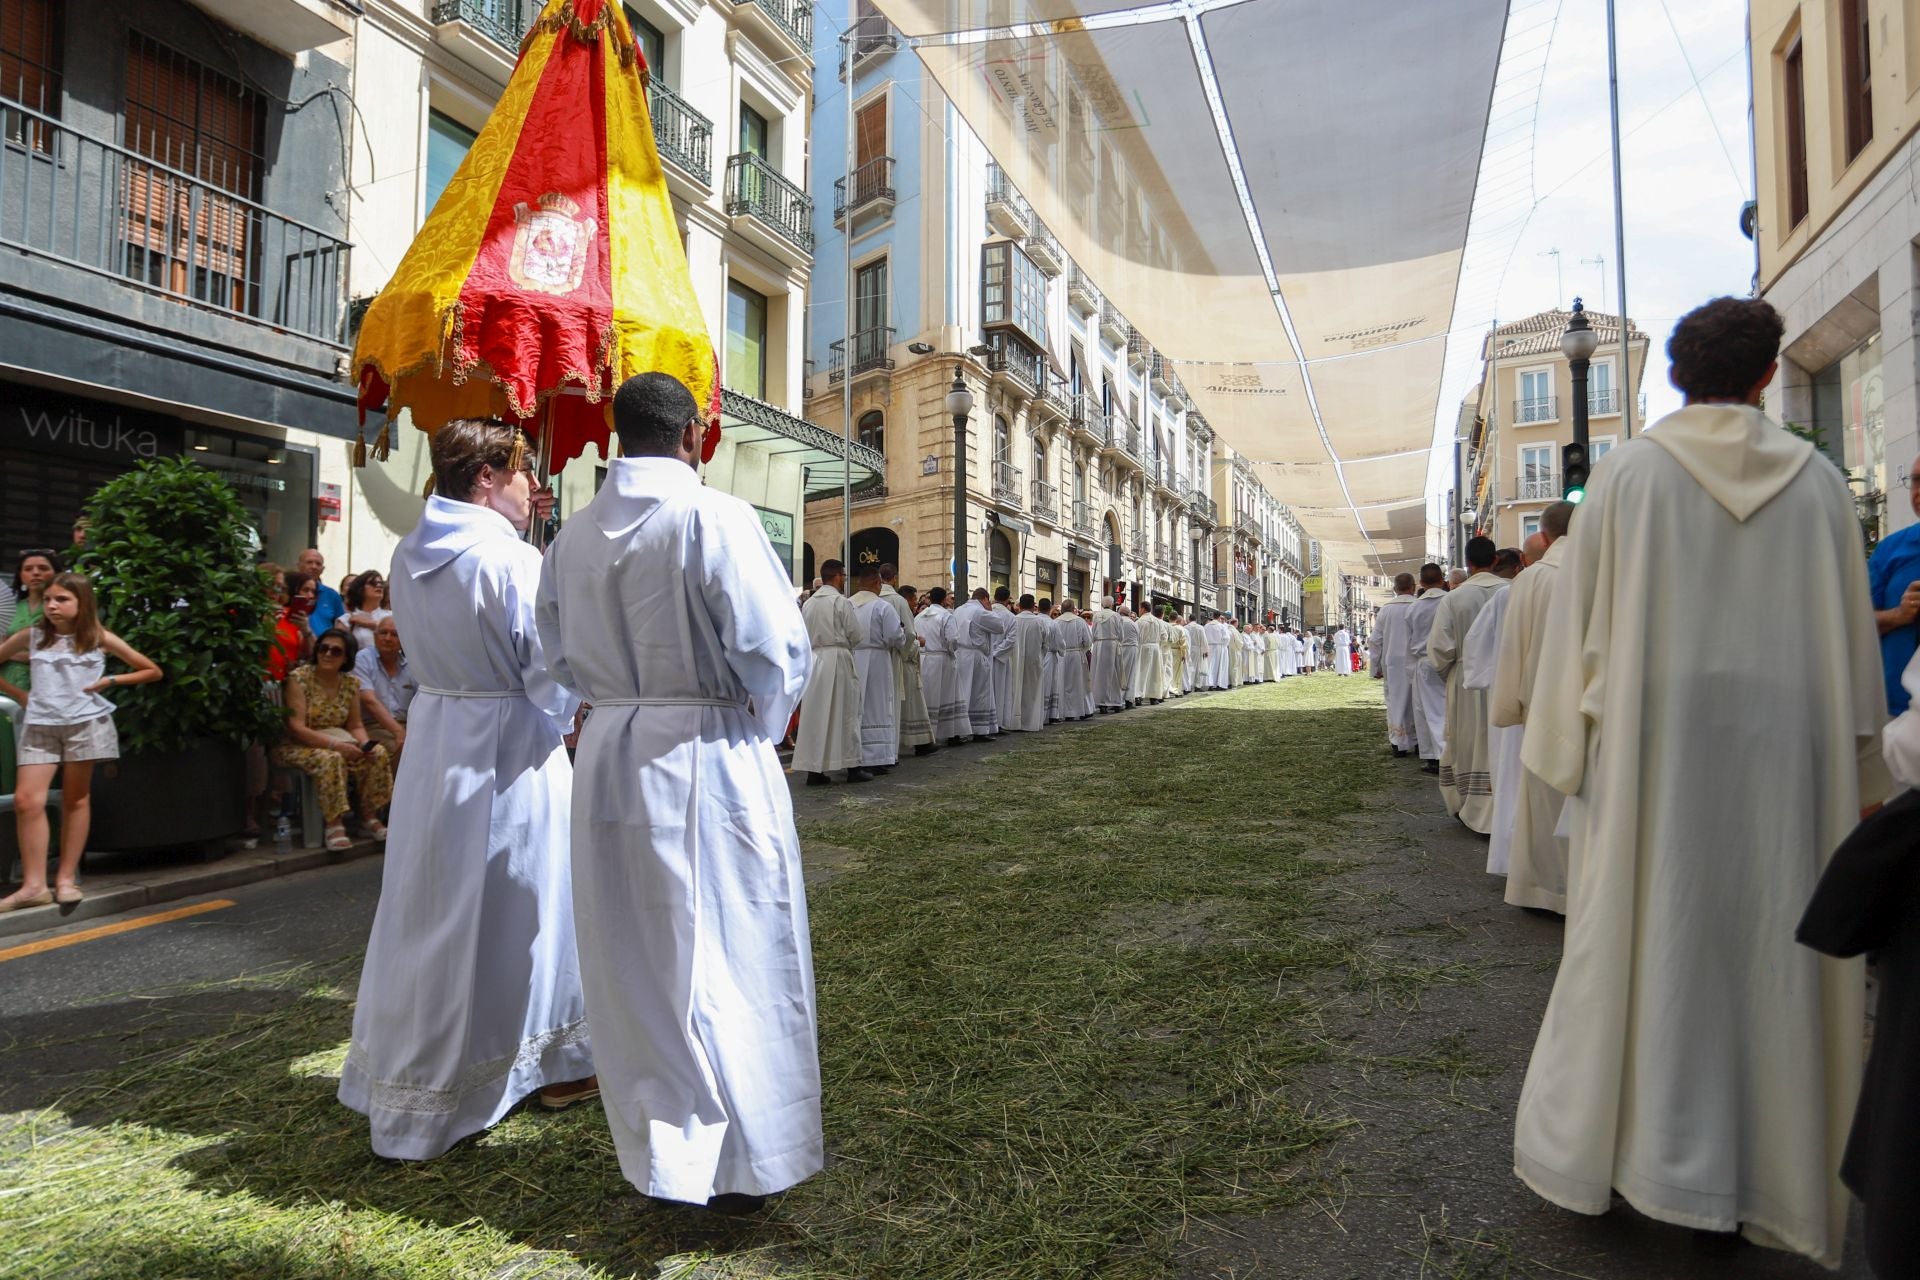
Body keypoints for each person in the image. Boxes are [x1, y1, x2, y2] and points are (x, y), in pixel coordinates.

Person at [1513, 296, 1891, 1268]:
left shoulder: (1628, 476)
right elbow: (1853, 660)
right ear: (1768, 375)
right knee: (1771, 946)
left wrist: (1562, 750)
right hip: (1783, 764)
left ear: (1675, 377)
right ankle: (1767, 1162)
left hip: (1655, 754)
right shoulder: (1814, 483)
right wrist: (1857, 775)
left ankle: (1649, 1152)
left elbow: (1576, 639)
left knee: (1656, 936)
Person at [535, 373, 821, 1214]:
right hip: (707, 743)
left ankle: (664, 1148)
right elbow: (774, 650)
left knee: (633, 955)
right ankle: (739, 1158)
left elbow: (554, 661)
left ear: (618, 434)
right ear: (695, 435)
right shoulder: (714, 516)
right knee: (731, 947)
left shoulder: (572, 538)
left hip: (613, 749)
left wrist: (614, 702)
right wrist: (758, 726)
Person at [339, 417, 593, 1162]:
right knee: (527, 902)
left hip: (439, 736)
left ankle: (422, 1080)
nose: (532, 488)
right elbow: (548, 676)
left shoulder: (409, 550)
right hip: (507, 745)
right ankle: (551, 1066)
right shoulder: (511, 562)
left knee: (434, 907)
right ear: (485, 478)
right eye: (521, 473)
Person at [0, 571, 161, 910]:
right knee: (27, 799)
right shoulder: (31, 637)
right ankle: (33, 885)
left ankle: (65, 878)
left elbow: (151, 670)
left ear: (82, 603)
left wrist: (110, 680)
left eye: (62, 599)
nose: (52, 606)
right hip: (40, 725)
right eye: (47, 600)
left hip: (84, 722)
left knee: (76, 798)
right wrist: (19, 695)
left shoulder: (99, 637)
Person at [1491, 504, 1575, 913]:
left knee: (1545, 802)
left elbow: (1513, 650)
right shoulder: (1614, 568)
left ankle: (1548, 891)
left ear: (1543, 538)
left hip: (1546, 705)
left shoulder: (1533, 580)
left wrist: (1508, 706)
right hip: (1602, 709)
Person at [272, 630, 394, 851]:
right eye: (323, 648)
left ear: (346, 657)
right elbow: (296, 728)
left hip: (340, 739)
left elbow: (355, 725)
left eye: (336, 651)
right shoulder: (299, 679)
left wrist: (363, 745)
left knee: (377, 753)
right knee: (331, 758)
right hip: (298, 745)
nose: (327, 654)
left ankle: (368, 817)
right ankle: (333, 823)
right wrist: (335, 745)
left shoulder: (351, 684)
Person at [1427, 538, 1504, 832]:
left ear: (1468, 564)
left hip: (1464, 681)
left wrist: (1451, 675)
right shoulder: (1512, 591)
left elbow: (1439, 650)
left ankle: (1468, 804)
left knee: (1467, 740)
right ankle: (1502, 804)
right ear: (1495, 559)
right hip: (1507, 677)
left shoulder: (1454, 598)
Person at [792, 560, 869, 785]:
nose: (845, 579)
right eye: (844, 575)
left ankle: (815, 771)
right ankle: (852, 766)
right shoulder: (839, 602)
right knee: (846, 712)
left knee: (816, 715)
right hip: (838, 659)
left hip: (815, 661)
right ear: (836, 576)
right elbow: (856, 634)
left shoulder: (809, 604)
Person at [1868, 452, 1920, 715]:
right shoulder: (1890, 550)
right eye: (1917, 481)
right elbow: (1855, 625)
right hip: (1897, 711)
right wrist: (1900, 615)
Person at [847, 564, 906, 773]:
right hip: (877, 660)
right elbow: (894, 636)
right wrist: (902, 636)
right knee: (878, 706)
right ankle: (877, 757)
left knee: (856, 707)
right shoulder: (882, 606)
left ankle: (856, 755)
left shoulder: (848, 604)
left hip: (852, 658)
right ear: (877, 583)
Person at [879, 565, 935, 757]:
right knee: (912, 700)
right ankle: (919, 742)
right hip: (899, 658)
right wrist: (907, 652)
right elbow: (910, 633)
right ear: (894, 578)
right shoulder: (897, 600)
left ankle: (886, 746)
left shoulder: (871, 598)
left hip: (875, 659)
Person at [354, 616, 417, 762]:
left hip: (407, 725)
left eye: (394, 634)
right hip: (374, 726)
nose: (388, 638)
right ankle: (396, 786)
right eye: (383, 633)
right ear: (375, 636)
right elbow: (369, 701)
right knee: (401, 748)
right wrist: (398, 731)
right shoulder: (363, 659)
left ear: (403, 640)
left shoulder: (411, 666)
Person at [1370, 575, 1420, 757]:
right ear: (1413, 587)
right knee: (1418, 701)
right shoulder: (1419, 605)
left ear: (1395, 588)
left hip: (1392, 663)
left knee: (1396, 702)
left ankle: (1399, 743)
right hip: (1416, 660)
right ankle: (1419, 741)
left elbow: (1375, 640)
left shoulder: (1386, 610)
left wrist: (1375, 667)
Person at [1407, 564, 1450, 775]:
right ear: (1442, 580)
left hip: (1424, 661)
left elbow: (1410, 638)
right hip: (1450, 659)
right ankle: (1448, 754)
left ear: (1421, 583)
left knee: (1425, 710)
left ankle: (1434, 756)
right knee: (1447, 708)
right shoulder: (1450, 600)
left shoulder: (1414, 607)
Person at [918, 587, 965, 745]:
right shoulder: (946, 615)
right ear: (945, 599)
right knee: (948, 696)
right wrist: (951, 652)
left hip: (924, 659)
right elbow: (952, 639)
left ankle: (926, 735)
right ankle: (951, 733)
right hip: (942, 660)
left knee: (928, 697)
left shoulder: (919, 616)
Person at [1009, 594, 1050, 731]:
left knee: (1015, 689)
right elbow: (1046, 643)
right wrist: (1041, 655)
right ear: (1034, 606)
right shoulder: (1039, 622)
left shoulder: (1013, 620)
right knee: (1033, 690)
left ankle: (1015, 721)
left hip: (1015, 660)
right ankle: (1031, 723)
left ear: (1019, 606)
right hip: (1034, 660)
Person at [1054, 602, 1094, 720]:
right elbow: (1088, 641)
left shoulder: (1056, 621)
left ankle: (1065, 712)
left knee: (1063, 683)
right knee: (1080, 683)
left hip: (1061, 655)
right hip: (1077, 655)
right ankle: (1083, 710)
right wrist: (1082, 650)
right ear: (1073, 609)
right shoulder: (1080, 621)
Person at [296, 547, 346, 639]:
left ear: (322, 569)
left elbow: (341, 626)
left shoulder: (332, 595)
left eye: (318, 564)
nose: (314, 566)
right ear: (299, 565)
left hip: (324, 650)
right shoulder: (289, 591)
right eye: (309, 562)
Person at [1091, 598, 1129, 711]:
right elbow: (1121, 634)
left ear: (1102, 604)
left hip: (1099, 646)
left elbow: (1093, 633)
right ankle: (1116, 702)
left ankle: (1101, 703)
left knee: (1099, 674)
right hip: (1113, 646)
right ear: (1112, 604)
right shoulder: (1116, 616)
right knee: (1114, 673)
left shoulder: (1096, 616)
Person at [343, 570, 394, 651]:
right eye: (372, 583)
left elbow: (404, 637)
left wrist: (371, 623)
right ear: (360, 588)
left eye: (381, 584)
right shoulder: (346, 619)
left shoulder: (392, 616)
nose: (378, 586)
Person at [991, 586, 1019, 730]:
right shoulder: (1010, 617)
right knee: (1001, 691)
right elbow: (1011, 640)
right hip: (1001, 658)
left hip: (985, 656)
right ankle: (999, 722)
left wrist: (990, 652)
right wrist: (997, 652)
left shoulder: (985, 612)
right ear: (1008, 599)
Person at [1116, 605, 1141, 706]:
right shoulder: (1133, 623)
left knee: (1119, 675)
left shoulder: (1118, 621)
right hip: (1133, 649)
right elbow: (1138, 637)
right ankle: (1129, 699)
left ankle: (1118, 699)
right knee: (1131, 675)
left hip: (1121, 648)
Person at [1203, 613, 1232, 689]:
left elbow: (1204, 637)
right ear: (1219, 618)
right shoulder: (1221, 626)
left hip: (1209, 647)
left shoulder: (1206, 626)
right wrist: (1224, 644)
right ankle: (1220, 683)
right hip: (1220, 647)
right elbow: (1226, 638)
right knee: (1220, 666)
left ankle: (1210, 683)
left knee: (1210, 666)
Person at [1185, 613, 1208, 692]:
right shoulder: (1200, 628)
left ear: (1189, 619)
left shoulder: (1186, 627)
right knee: (1198, 667)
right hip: (1198, 649)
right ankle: (1197, 685)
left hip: (1188, 648)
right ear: (1196, 619)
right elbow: (1204, 640)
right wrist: (1206, 650)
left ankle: (1188, 684)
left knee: (1189, 667)